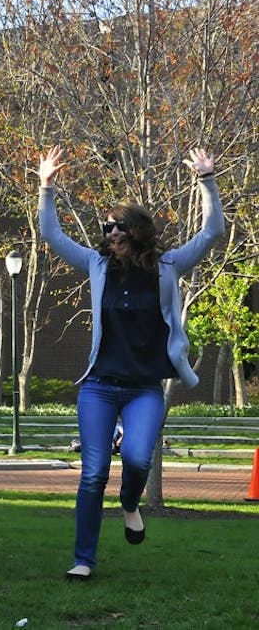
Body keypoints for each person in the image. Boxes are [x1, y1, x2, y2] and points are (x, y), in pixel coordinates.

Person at [37, 145, 224, 581]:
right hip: (100, 385)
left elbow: (211, 232)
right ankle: (83, 559)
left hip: (144, 388)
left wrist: (207, 181)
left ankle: (129, 502)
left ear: (138, 231)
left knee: (138, 460)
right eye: (107, 228)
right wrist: (46, 187)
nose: (110, 233)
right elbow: (53, 236)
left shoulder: (168, 266)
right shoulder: (97, 266)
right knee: (93, 473)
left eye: (119, 226)